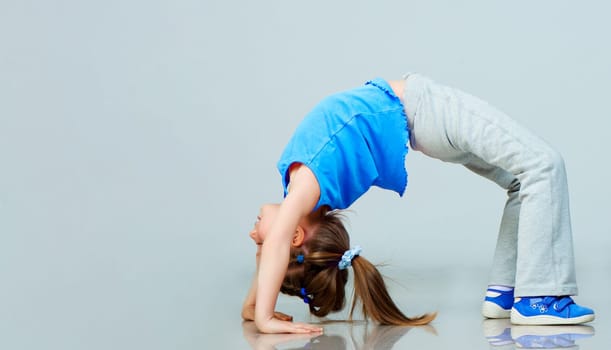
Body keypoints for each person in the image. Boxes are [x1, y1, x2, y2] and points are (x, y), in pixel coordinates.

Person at [241, 73, 595, 334]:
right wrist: (265, 316)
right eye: (261, 239)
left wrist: (253, 306)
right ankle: (541, 299)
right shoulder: (307, 183)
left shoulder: (304, 193)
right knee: (544, 165)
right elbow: (275, 246)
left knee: (523, 181)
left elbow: (275, 249)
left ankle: (504, 293)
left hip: (420, 122)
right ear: (295, 238)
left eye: (257, 237)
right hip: (424, 109)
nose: (253, 233)